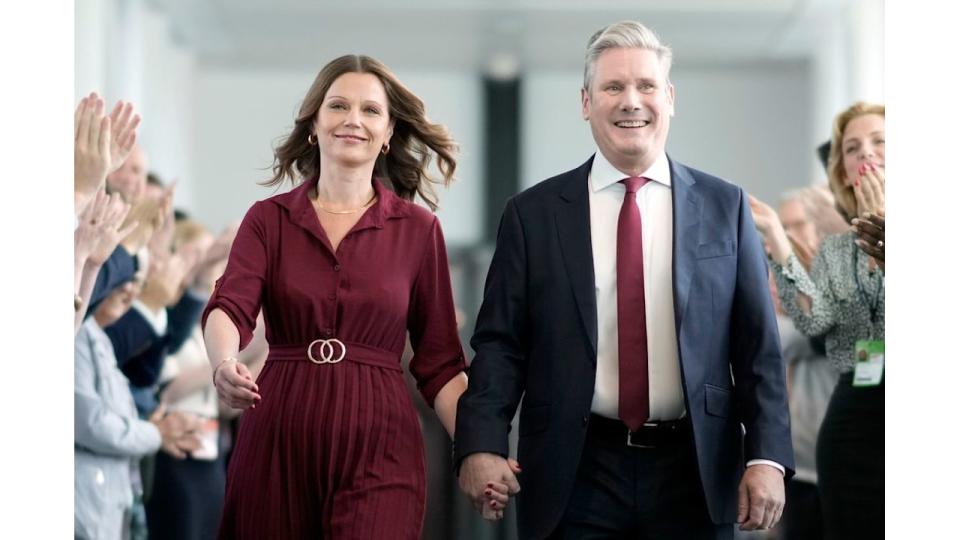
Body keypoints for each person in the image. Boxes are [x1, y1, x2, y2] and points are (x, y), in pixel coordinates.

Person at [455, 20, 794, 540]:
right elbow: (501, 343)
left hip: (695, 470)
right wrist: (481, 443)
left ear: (670, 97)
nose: (630, 101)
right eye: (613, 87)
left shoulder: (725, 207)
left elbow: (757, 348)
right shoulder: (533, 214)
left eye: (646, 86)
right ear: (586, 102)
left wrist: (768, 456)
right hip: (575, 471)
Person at [201, 54, 469, 539]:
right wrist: (223, 363)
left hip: (381, 442)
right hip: (278, 431)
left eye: (370, 111)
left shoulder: (419, 230)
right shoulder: (268, 219)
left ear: (388, 134)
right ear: (313, 125)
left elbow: (441, 362)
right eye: (338, 105)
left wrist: (479, 450)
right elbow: (230, 306)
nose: (353, 120)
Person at [748, 102, 885, 539]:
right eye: (852, 148)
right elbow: (818, 322)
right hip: (854, 418)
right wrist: (775, 237)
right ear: (841, 171)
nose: (866, 154)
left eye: (880, 142)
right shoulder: (840, 249)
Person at [75, 270, 201, 540]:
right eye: (124, 278)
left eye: (139, 281)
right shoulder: (78, 337)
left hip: (110, 505)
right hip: (85, 512)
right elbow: (91, 424)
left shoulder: (98, 338)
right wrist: (155, 433)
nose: (131, 290)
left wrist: (150, 430)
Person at [770, 186, 846, 540]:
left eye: (796, 225)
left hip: (846, 472)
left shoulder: (845, 292)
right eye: (779, 229)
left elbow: (810, 330)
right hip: (801, 474)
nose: (785, 239)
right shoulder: (785, 288)